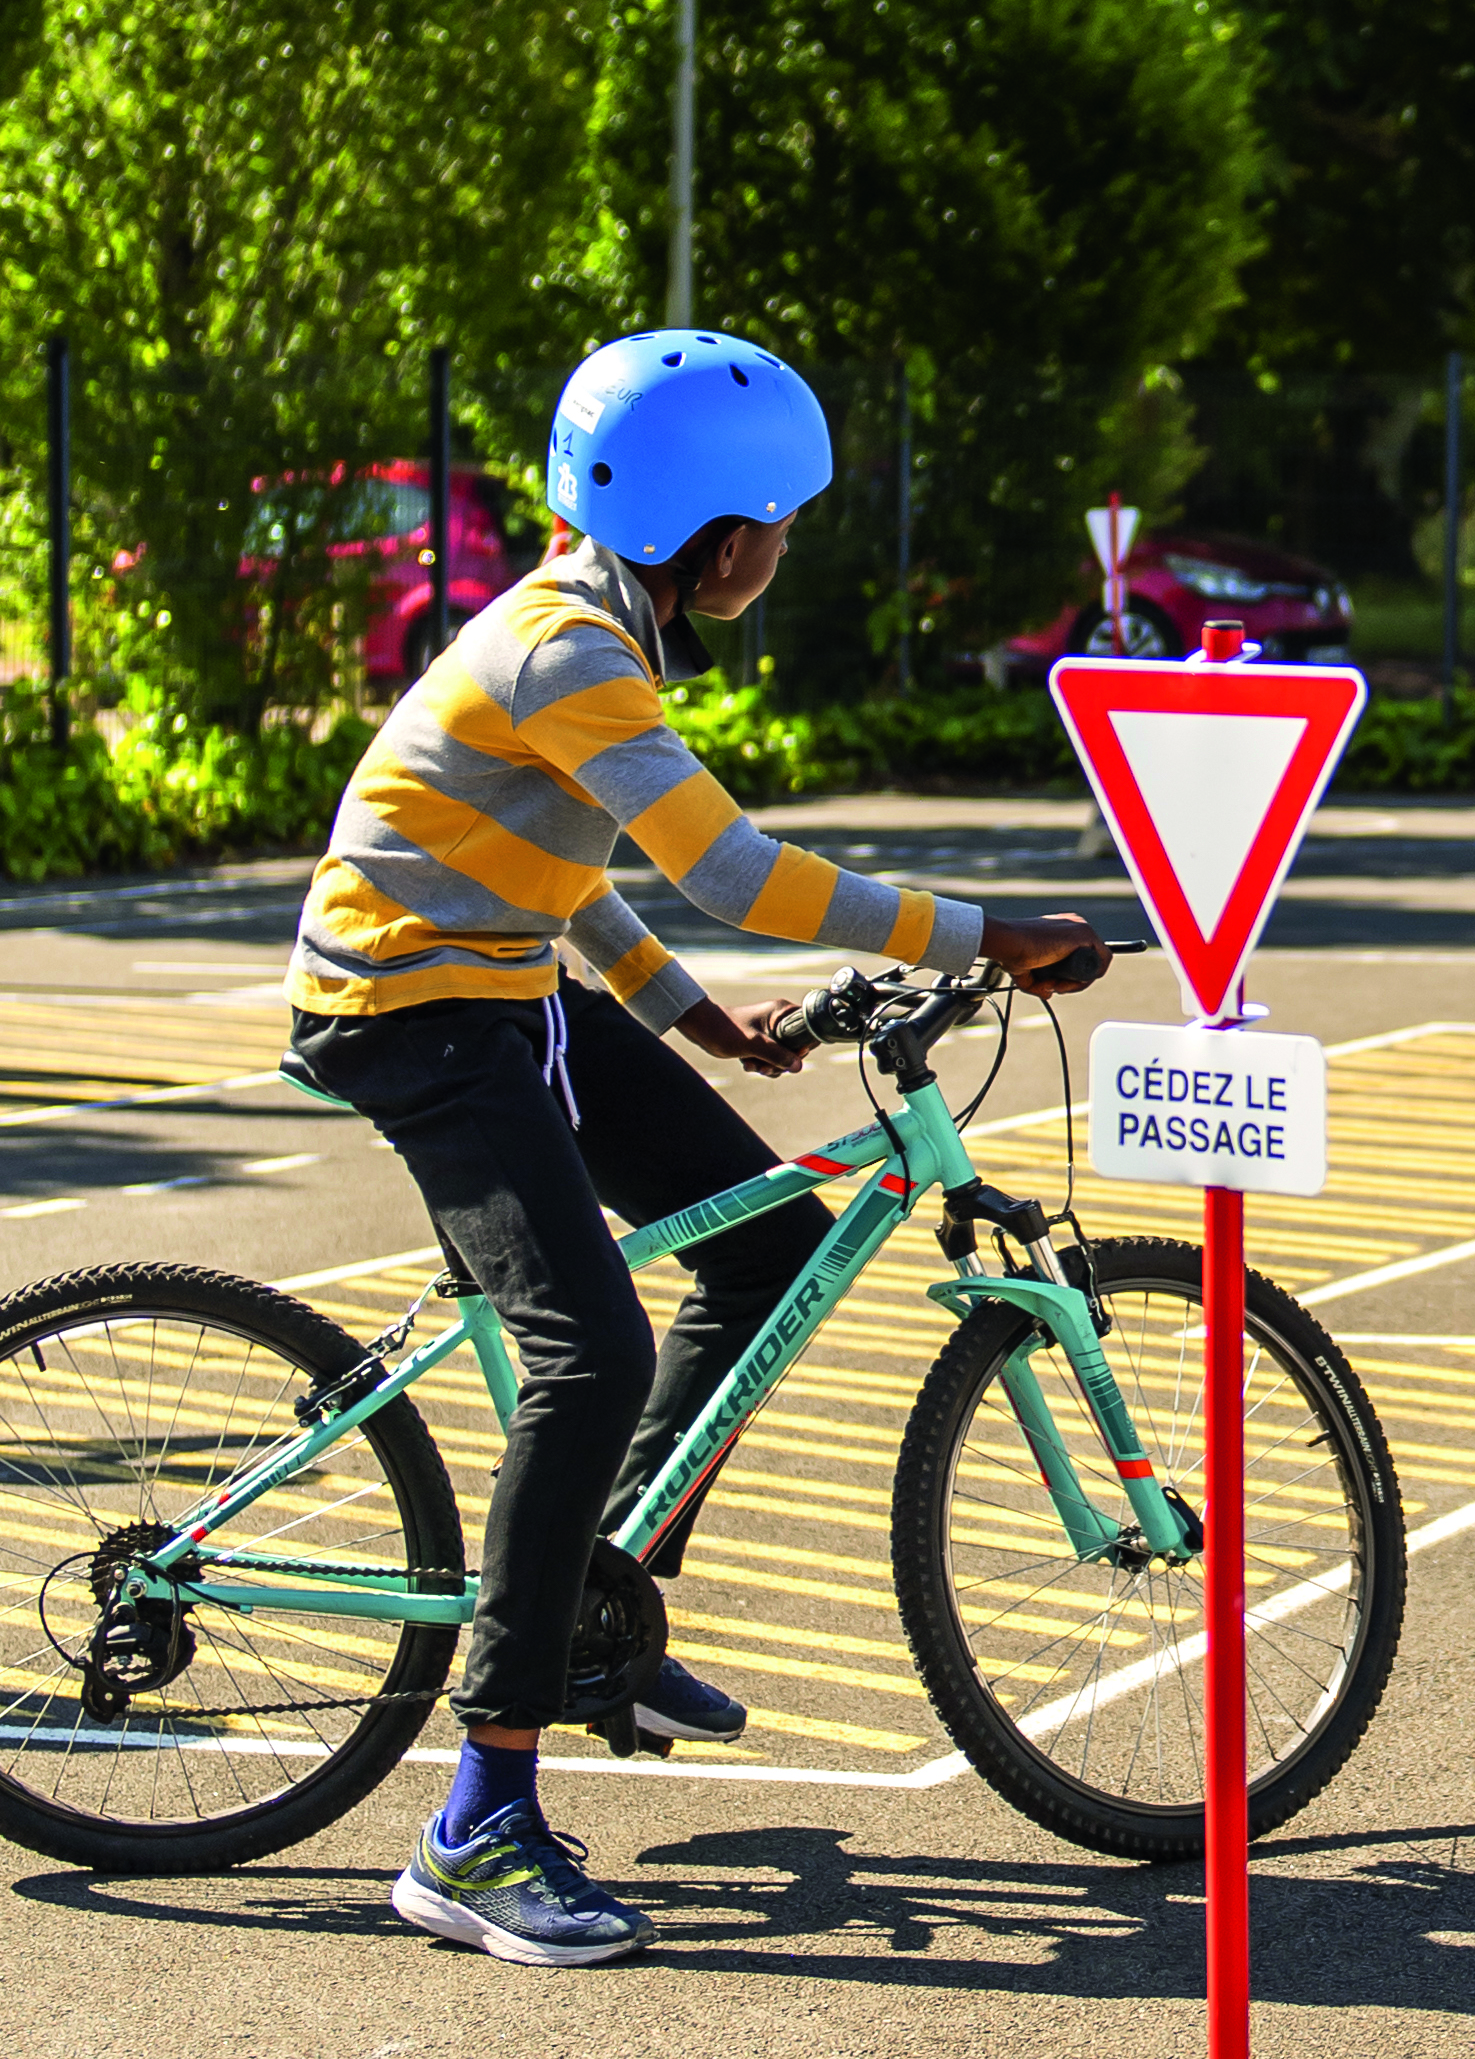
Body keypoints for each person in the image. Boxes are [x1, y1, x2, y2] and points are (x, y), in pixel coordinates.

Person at [289, 325, 1109, 1969]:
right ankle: (477, 1826)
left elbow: (550, 851)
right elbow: (728, 868)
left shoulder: (592, 621)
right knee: (584, 1349)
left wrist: (682, 1016)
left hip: (497, 979)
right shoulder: (567, 647)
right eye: (781, 521)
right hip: (412, 1009)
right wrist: (982, 930)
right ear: (718, 536)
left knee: (765, 1235)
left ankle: (595, 1595)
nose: (787, 547)